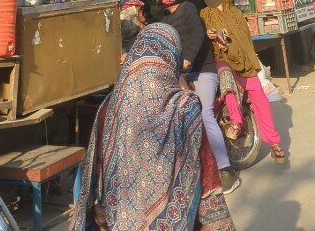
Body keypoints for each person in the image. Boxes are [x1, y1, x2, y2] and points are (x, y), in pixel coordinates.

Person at [69, 23, 235, 231]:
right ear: (171, 60)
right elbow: (208, 175)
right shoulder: (186, 109)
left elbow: (98, 173)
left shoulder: (109, 107)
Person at [157, 0, 241, 195]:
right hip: (182, 73)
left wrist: (188, 59)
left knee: (204, 114)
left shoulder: (188, 9)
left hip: (203, 69)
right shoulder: (164, 18)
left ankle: (226, 170)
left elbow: (197, 35)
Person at [201, 0, 286, 163]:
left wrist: (249, 60)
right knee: (227, 82)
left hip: (245, 61)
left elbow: (245, 41)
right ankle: (236, 121)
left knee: (260, 98)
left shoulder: (236, 14)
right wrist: (209, 35)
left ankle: (274, 142)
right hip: (221, 59)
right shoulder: (205, 13)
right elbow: (203, 34)